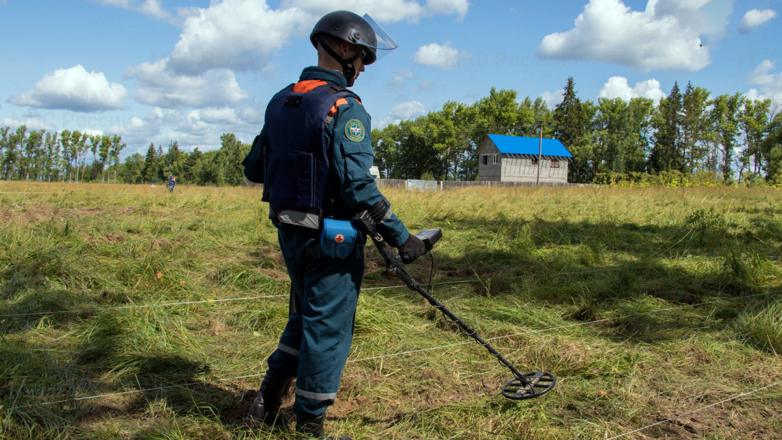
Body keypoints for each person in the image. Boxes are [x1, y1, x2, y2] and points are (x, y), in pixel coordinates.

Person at [244, 10, 426, 440]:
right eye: (361, 58)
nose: (362, 68)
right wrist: (404, 239)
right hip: (334, 241)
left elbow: (254, 169)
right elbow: (359, 187)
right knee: (327, 330)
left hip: (290, 232)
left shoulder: (280, 100)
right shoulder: (346, 108)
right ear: (342, 48)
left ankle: (267, 402)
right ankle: (310, 427)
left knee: (305, 317)